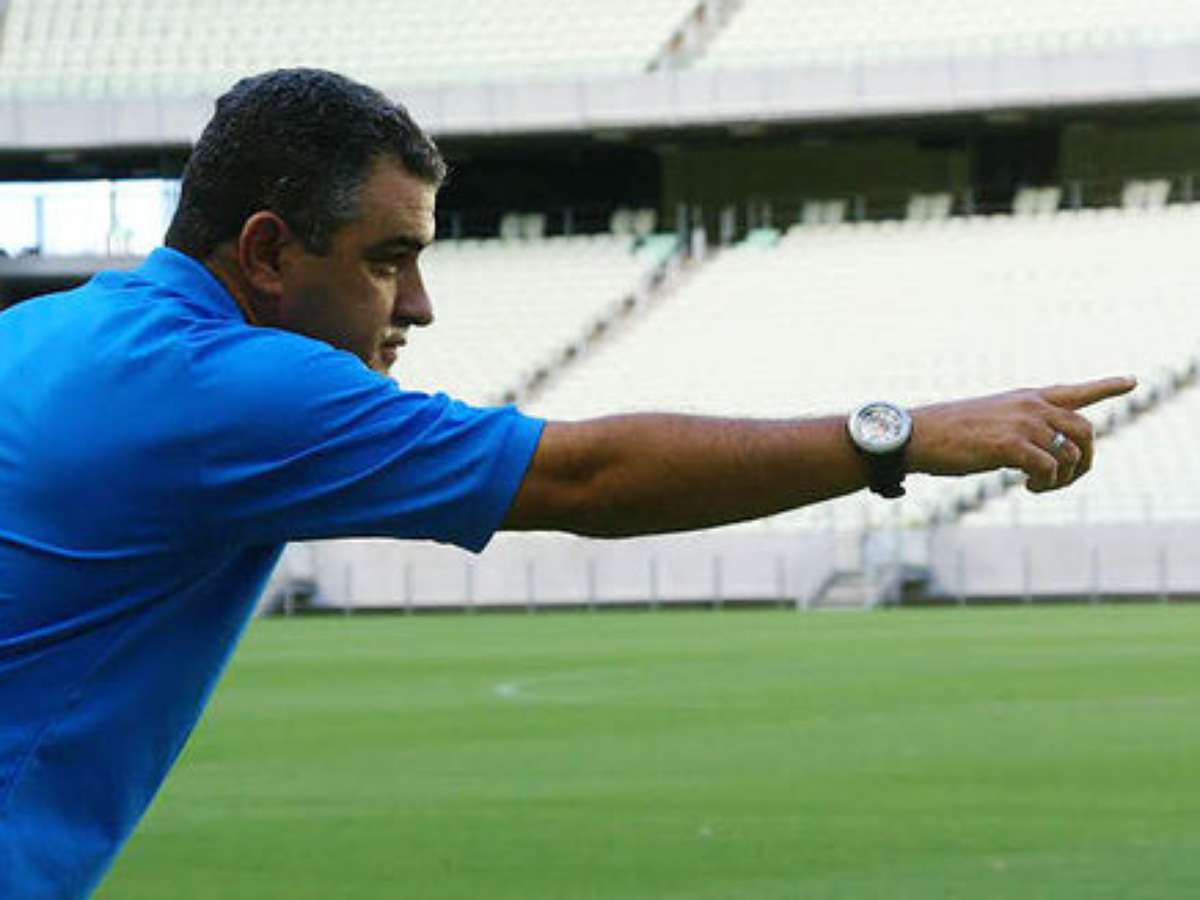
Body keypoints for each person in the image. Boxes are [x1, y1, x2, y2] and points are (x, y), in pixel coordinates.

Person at [0, 67, 1133, 898]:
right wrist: (896, 437)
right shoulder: (225, 385)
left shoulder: (45, 335)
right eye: (389, 260)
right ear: (264, 255)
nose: (419, 307)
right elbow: (588, 478)